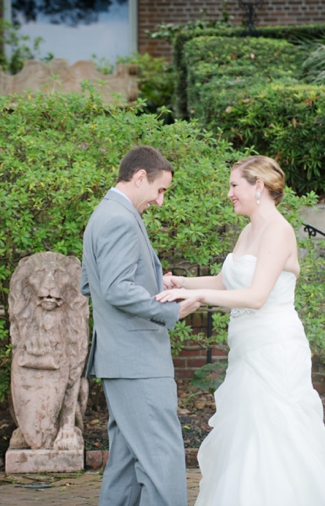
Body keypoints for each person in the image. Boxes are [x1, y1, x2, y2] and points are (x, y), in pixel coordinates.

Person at [156, 155, 325, 506]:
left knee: (274, 437)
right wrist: (180, 280)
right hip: (246, 353)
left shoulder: (279, 231)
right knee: (246, 437)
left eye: (235, 185)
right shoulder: (249, 230)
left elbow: (256, 295)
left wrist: (196, 296)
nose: (229, 193)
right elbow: (227, 280)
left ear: (258, 187)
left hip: (274, 351)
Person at [80, 145, 202, 506]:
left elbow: (92, 284)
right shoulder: (119, 218)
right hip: (138, 360)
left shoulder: (102, 215)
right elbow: (115, 288)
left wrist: (152, 283)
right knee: (162, 459)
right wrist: (170, 311)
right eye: (160, 190)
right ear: (139, 177)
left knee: (126, 461)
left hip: (120, 358)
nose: (160, 201)